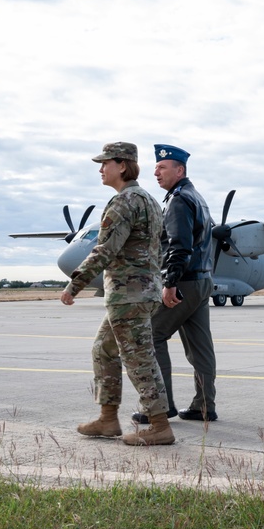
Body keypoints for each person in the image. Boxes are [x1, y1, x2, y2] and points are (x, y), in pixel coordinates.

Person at [60, 141, 175, 446]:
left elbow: (105, 249)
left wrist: (75, 284)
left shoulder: (124, 202)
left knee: (139, 359)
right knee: (103, 349)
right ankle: (108, 419)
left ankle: (160, 425)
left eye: (105, 163)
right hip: (141, 292)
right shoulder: (150, 200)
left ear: (121, 165)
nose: (101, 169)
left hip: (129, 295)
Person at [131, 144, 219, 424]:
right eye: (156, 167)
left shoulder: (179, 200)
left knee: (152, 336)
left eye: (162, 167)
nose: (155, 172)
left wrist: (170, 282)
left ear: (179, 170)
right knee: (201, 348)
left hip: (184, 282)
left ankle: (159, 406)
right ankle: (204, 406)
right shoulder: (197, 197)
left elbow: (179, 247)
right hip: (203, 281)